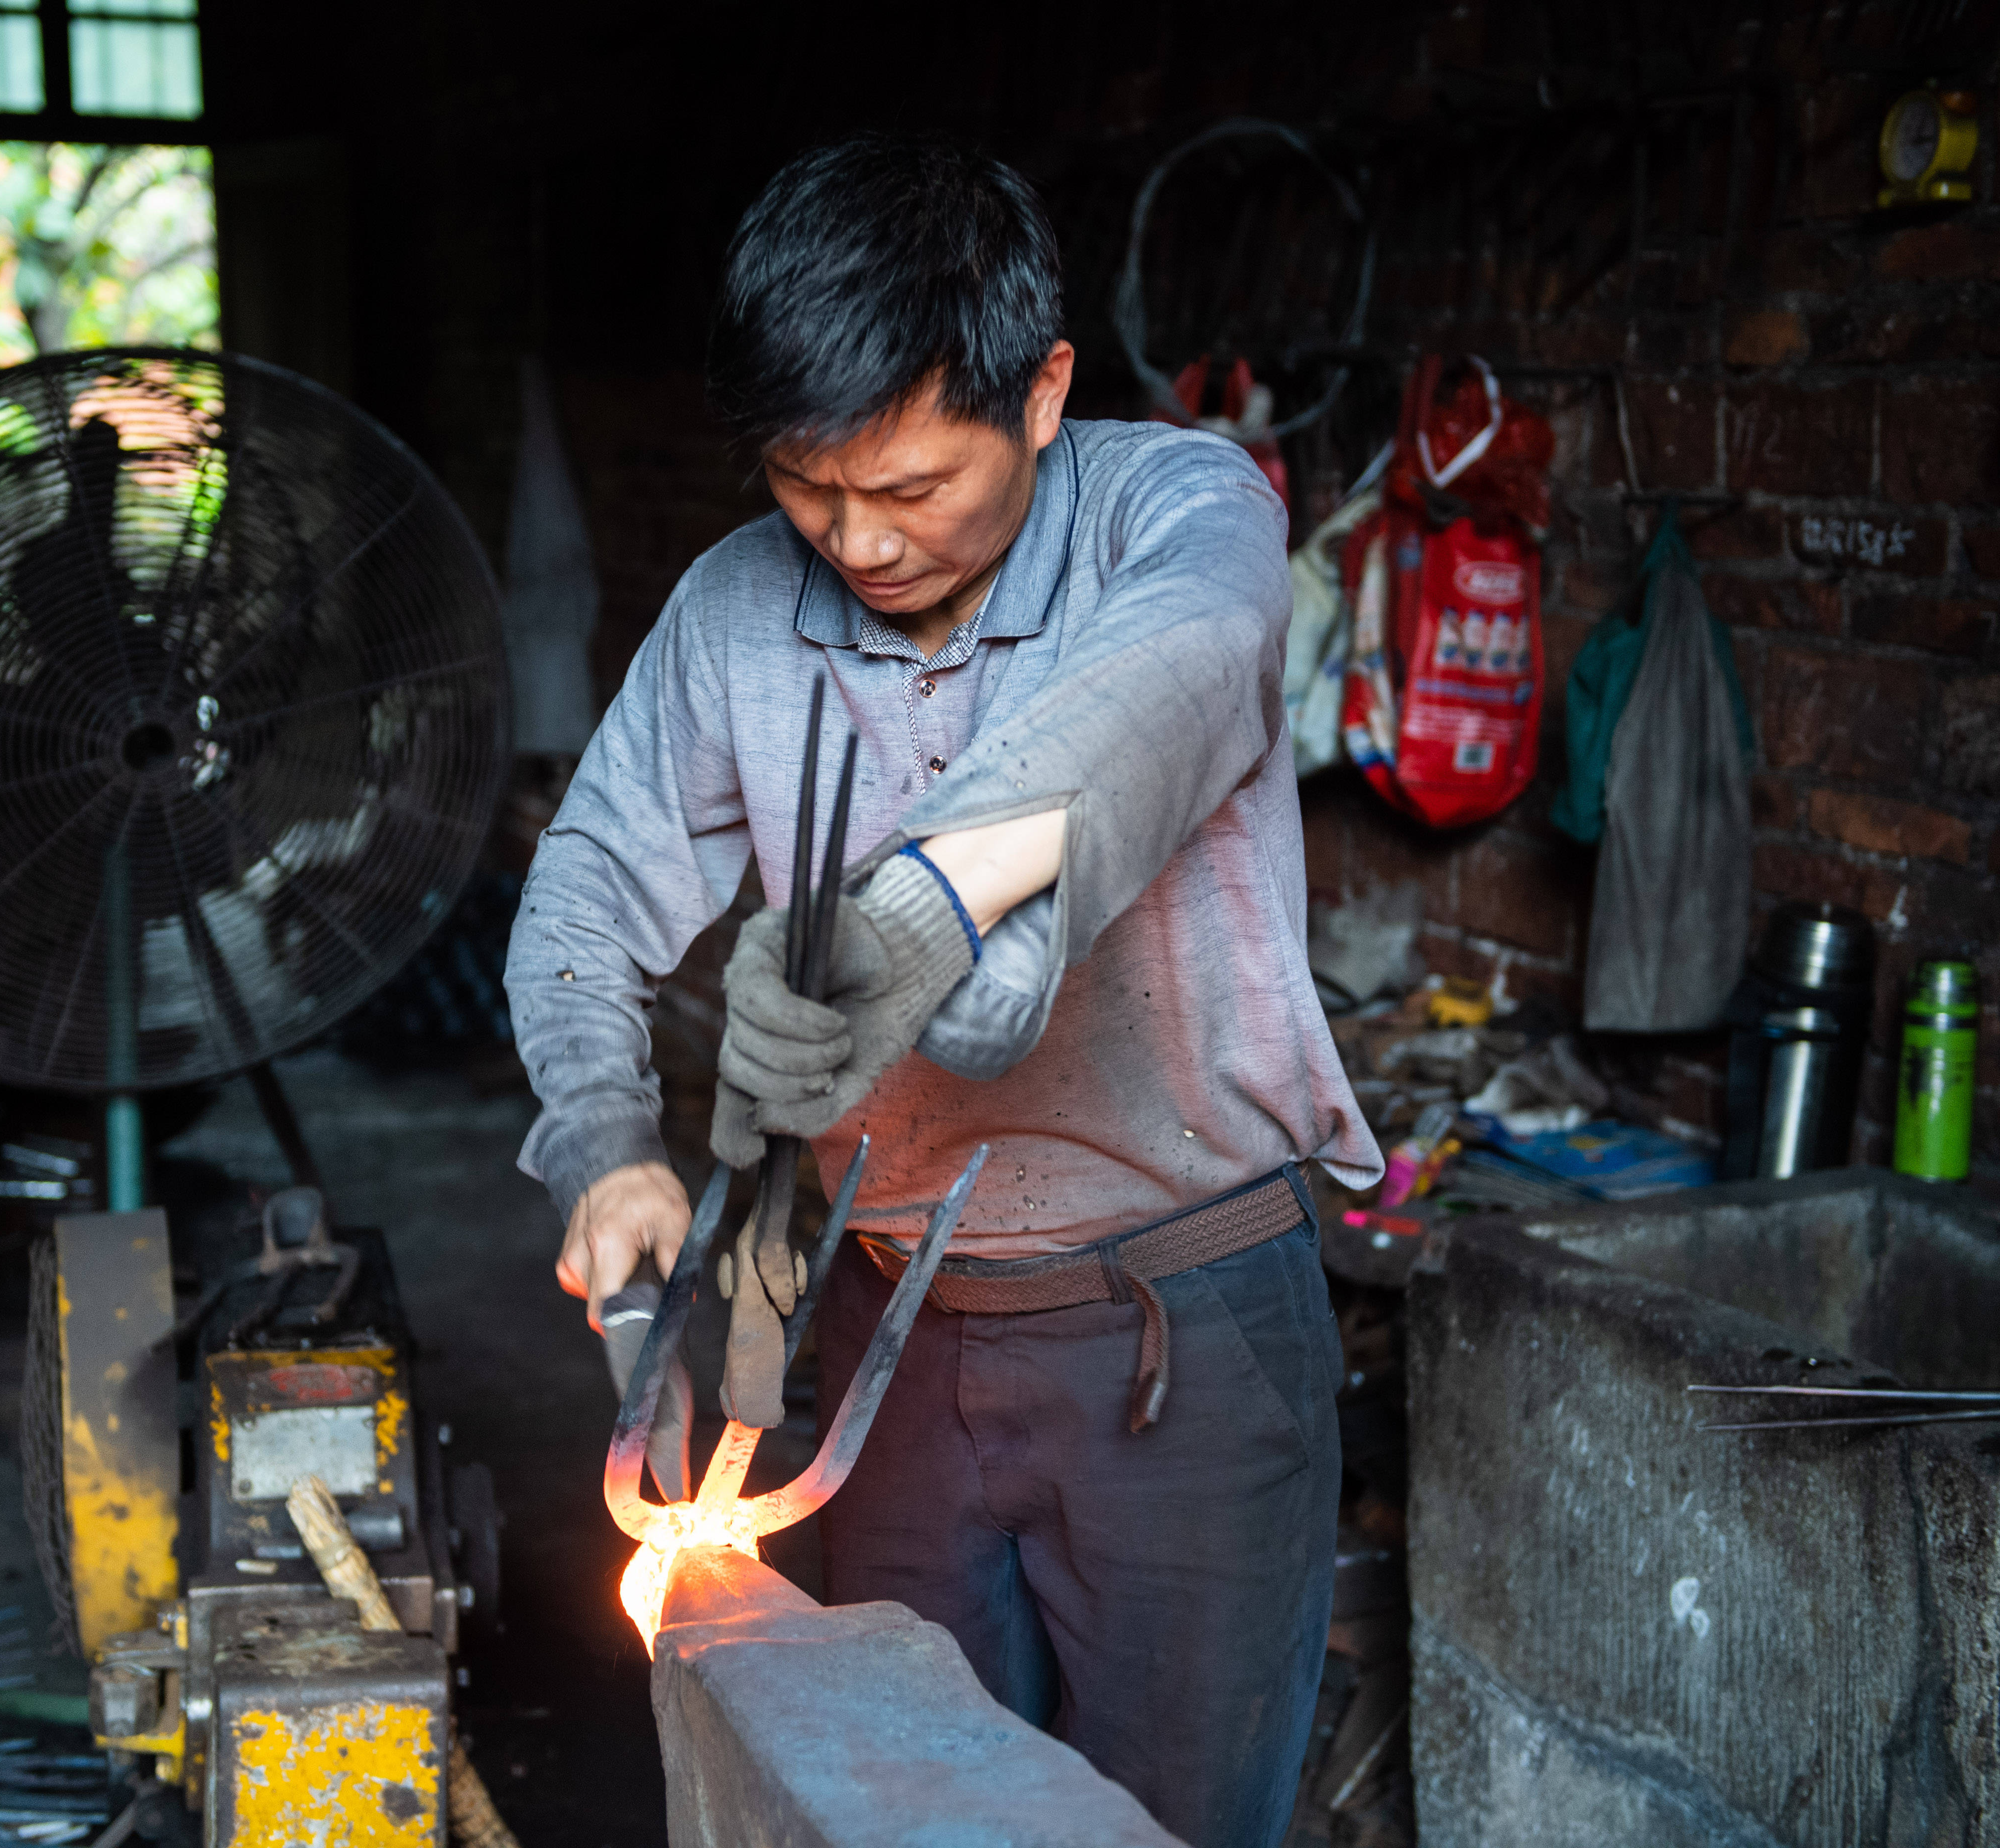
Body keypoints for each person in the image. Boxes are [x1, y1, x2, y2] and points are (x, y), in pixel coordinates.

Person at [503, 133, 1381, 1847]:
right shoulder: (737, 611)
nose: (856, 541)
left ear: (1043, 393)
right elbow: (589, 887)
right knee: (875, 1801)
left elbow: (1179, 672)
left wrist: (911, 916)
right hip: (887, 1333)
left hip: (1179, 1339)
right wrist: (605, 1142)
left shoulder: (1180, 514)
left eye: (909, 490)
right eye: (807, 488)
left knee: (1170, 1828)